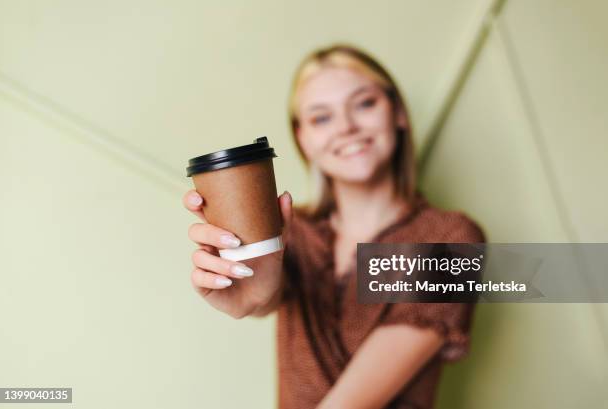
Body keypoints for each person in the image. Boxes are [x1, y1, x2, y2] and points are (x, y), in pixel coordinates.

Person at [183, 44, 486, 409]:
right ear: (303, 139)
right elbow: (265, 296)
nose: (346, 127)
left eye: (364, 104)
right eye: (322, 118)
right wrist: (252, 292)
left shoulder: (453, 240)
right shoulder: (292, 232)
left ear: (399, 113)